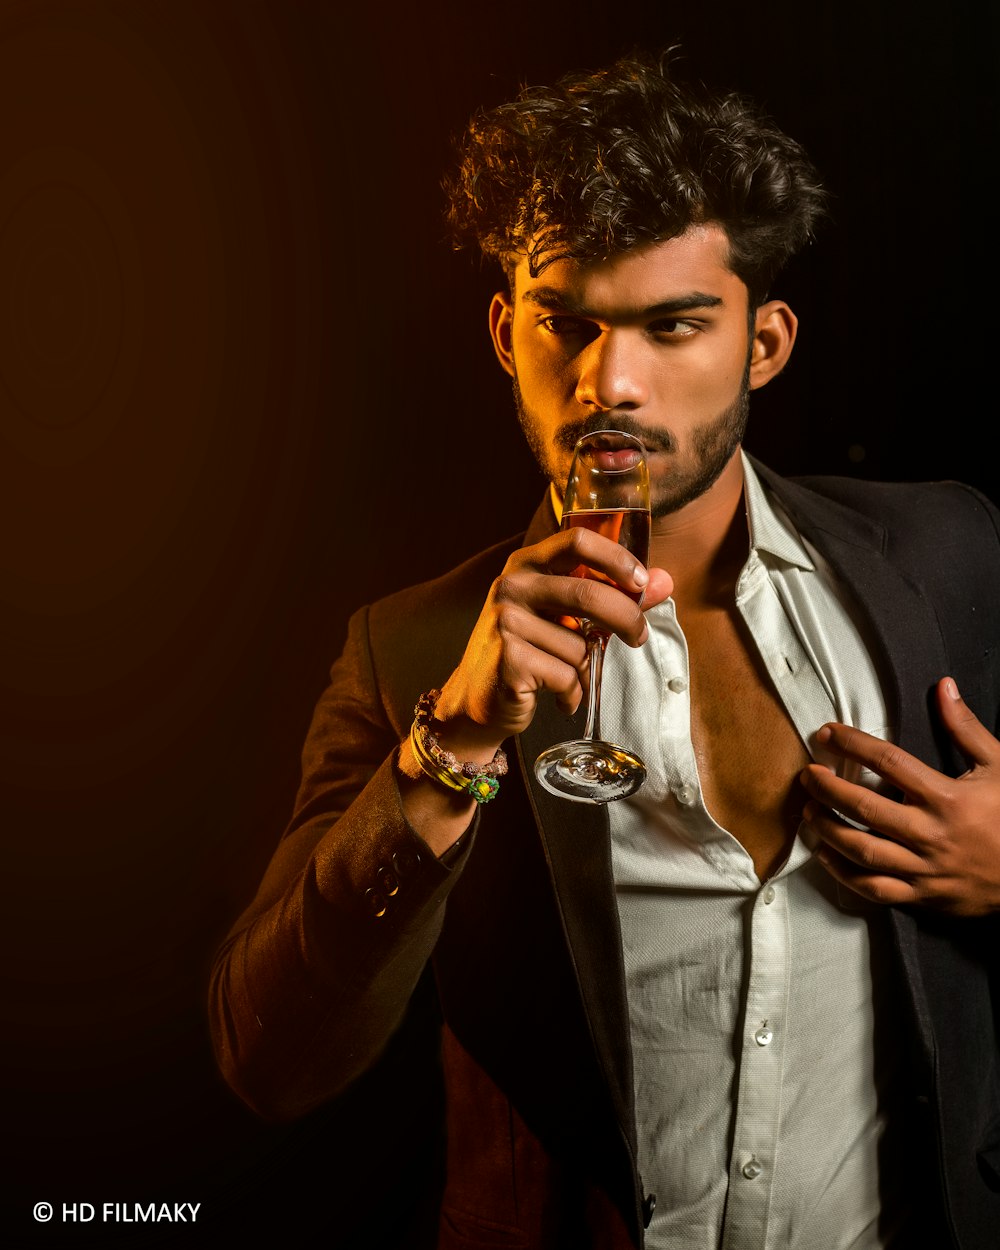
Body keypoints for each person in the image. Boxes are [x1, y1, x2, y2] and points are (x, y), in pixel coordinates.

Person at [210, 51, 1000, 1249]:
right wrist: (450, 748)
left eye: (672, 324)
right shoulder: (411, 650)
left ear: (766, 342)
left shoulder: (947, 550)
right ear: (502, 329)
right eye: (562, 323)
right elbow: (267, 1060)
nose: (607, 383)